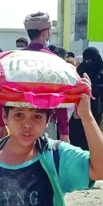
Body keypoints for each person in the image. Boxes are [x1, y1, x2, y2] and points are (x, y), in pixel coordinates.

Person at [20, 13, 69, 142]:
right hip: (45, 121)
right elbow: (59, 95)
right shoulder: (53, 60)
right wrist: (64, 131)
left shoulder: (16, 60)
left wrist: (1, 125)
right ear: (46, 32)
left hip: (18, 119)